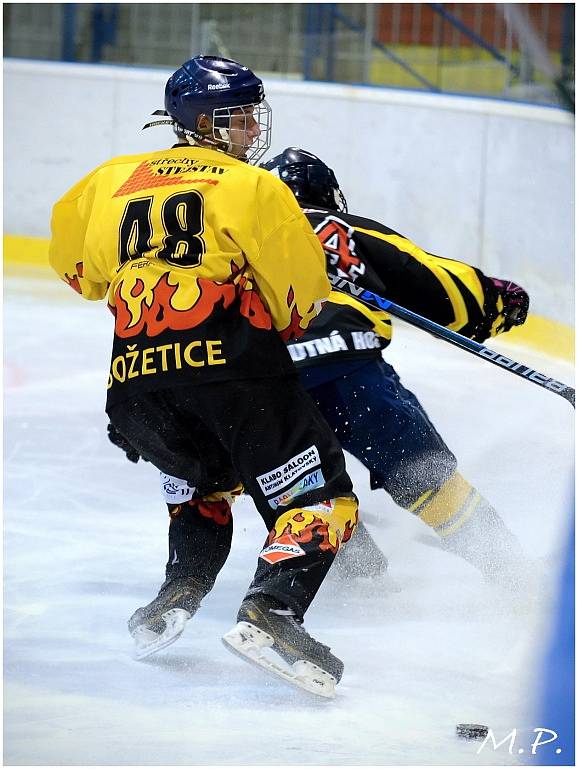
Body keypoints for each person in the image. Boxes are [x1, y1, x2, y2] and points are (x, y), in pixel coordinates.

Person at [48, 58, 359, 699]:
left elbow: (79, 274)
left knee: (202, 483)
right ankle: (272, 612)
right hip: (237, 376)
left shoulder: (107, 181)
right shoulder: (254, 188)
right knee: (321, 499)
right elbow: (300, 304)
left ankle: (177, 592)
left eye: (251, 114)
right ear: (199, 122)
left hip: (135, 386)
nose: (248, 128)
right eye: (234, 115)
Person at [260, 148, 530, 584]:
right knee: (428, 478)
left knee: (304, 488)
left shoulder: (241, 239)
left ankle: (360, 574)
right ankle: (511, 575)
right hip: (349, 369)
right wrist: (495, 302)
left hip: (269, 382)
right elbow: (429, 279)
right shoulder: (341, 227)